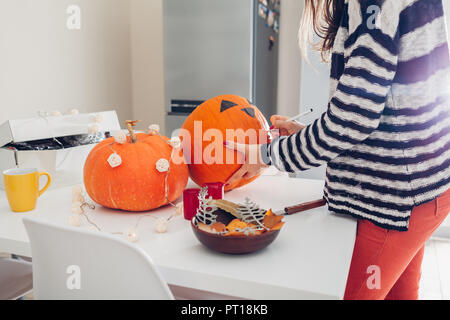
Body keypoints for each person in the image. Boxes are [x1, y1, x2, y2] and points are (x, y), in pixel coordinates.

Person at [225, 0, 450, 300]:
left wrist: (267, 155)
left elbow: (352, 118)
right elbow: (388, 111)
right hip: (422, 188)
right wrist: (307, 136)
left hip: (394, 201)